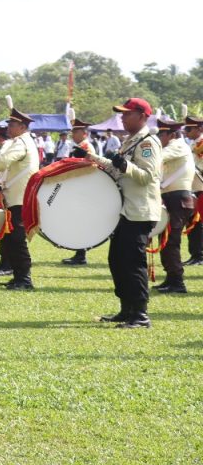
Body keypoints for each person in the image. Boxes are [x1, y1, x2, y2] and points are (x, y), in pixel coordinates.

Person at [78, 98, 161, 329]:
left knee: (133, 263)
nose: (122, 118)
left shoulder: (147, 142)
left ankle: (140, 314)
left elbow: (148, 176)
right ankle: (127, 309)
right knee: (117, 260)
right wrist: (92, 158)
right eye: (122, 114)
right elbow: (117, 169)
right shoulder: (130, 141)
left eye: (127, 114)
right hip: (125, 211)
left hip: (139, 211)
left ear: (142, 116)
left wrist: (124, 165)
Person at [0, 106, 37, 290]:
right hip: (16, 197)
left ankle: (24, 279)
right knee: (11, 239)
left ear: (22, 127)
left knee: (17, 240)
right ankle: (18, 276)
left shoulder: (21, 142)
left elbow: (3, 161)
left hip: (19, 199)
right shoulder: (23, 141)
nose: (9, 127)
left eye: (12, 124)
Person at [153, 119, 194, 293]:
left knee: (171, 241)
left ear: (172, 135)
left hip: (177, 199)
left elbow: (157, 156)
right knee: (165, 240)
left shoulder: (177, 145)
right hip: (171, 198)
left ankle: (177, 282)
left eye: (161, 134)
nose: (159, 138)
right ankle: (171, 278)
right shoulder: (173, 146)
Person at [61, 119, 98, 265]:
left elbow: (90, 166)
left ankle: (81, 255)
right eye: (73, 132)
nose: (73, 134)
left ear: (84, 133)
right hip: (79, 187)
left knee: (81, 222)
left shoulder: (86, 147)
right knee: (78, 221)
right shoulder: (79, 146)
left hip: (84, 188)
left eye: (76, 131)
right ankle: (79, 253)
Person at [183, 116, 203, 266]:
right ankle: (195, 254)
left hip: (200, 188)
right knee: (192, 222)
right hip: (192, 187)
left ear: (199, 129)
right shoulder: (193, 144)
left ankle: (199, 255)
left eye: (189, 129)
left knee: (198, 223)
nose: (186, 131)